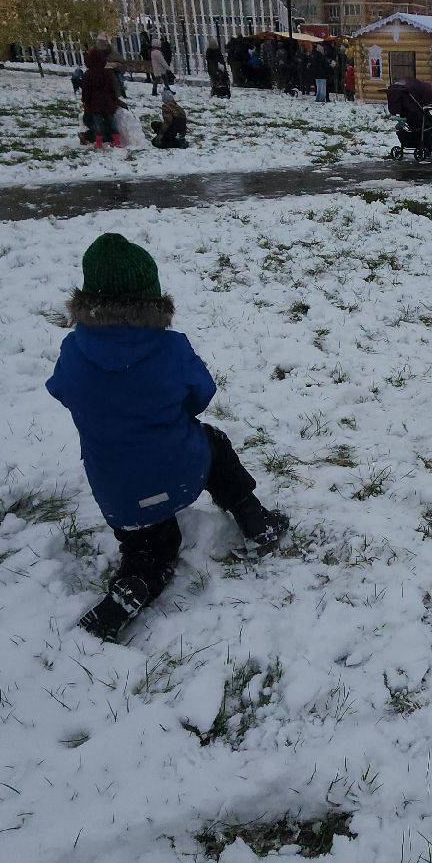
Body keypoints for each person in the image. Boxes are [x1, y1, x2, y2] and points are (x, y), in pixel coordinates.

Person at [46, 233, 289, 638]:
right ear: (152, 298)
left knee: (150, 547)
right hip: (182, 469)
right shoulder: (171, 349)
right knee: (215, 445)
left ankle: (135, 581)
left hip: (120, 492)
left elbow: (60, 391)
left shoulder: (73, 352)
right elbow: (201, 394)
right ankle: (252, 516)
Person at [79, 46, 123, 149]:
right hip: (107, 103)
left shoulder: (88, 74)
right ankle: (116, 141)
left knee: (98, 124)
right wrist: (114, 100)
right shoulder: (107, 73)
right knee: (111, 122)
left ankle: (98, 142)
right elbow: (112, 89)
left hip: (95, 105)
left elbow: (86, 91)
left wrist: (85, 101)